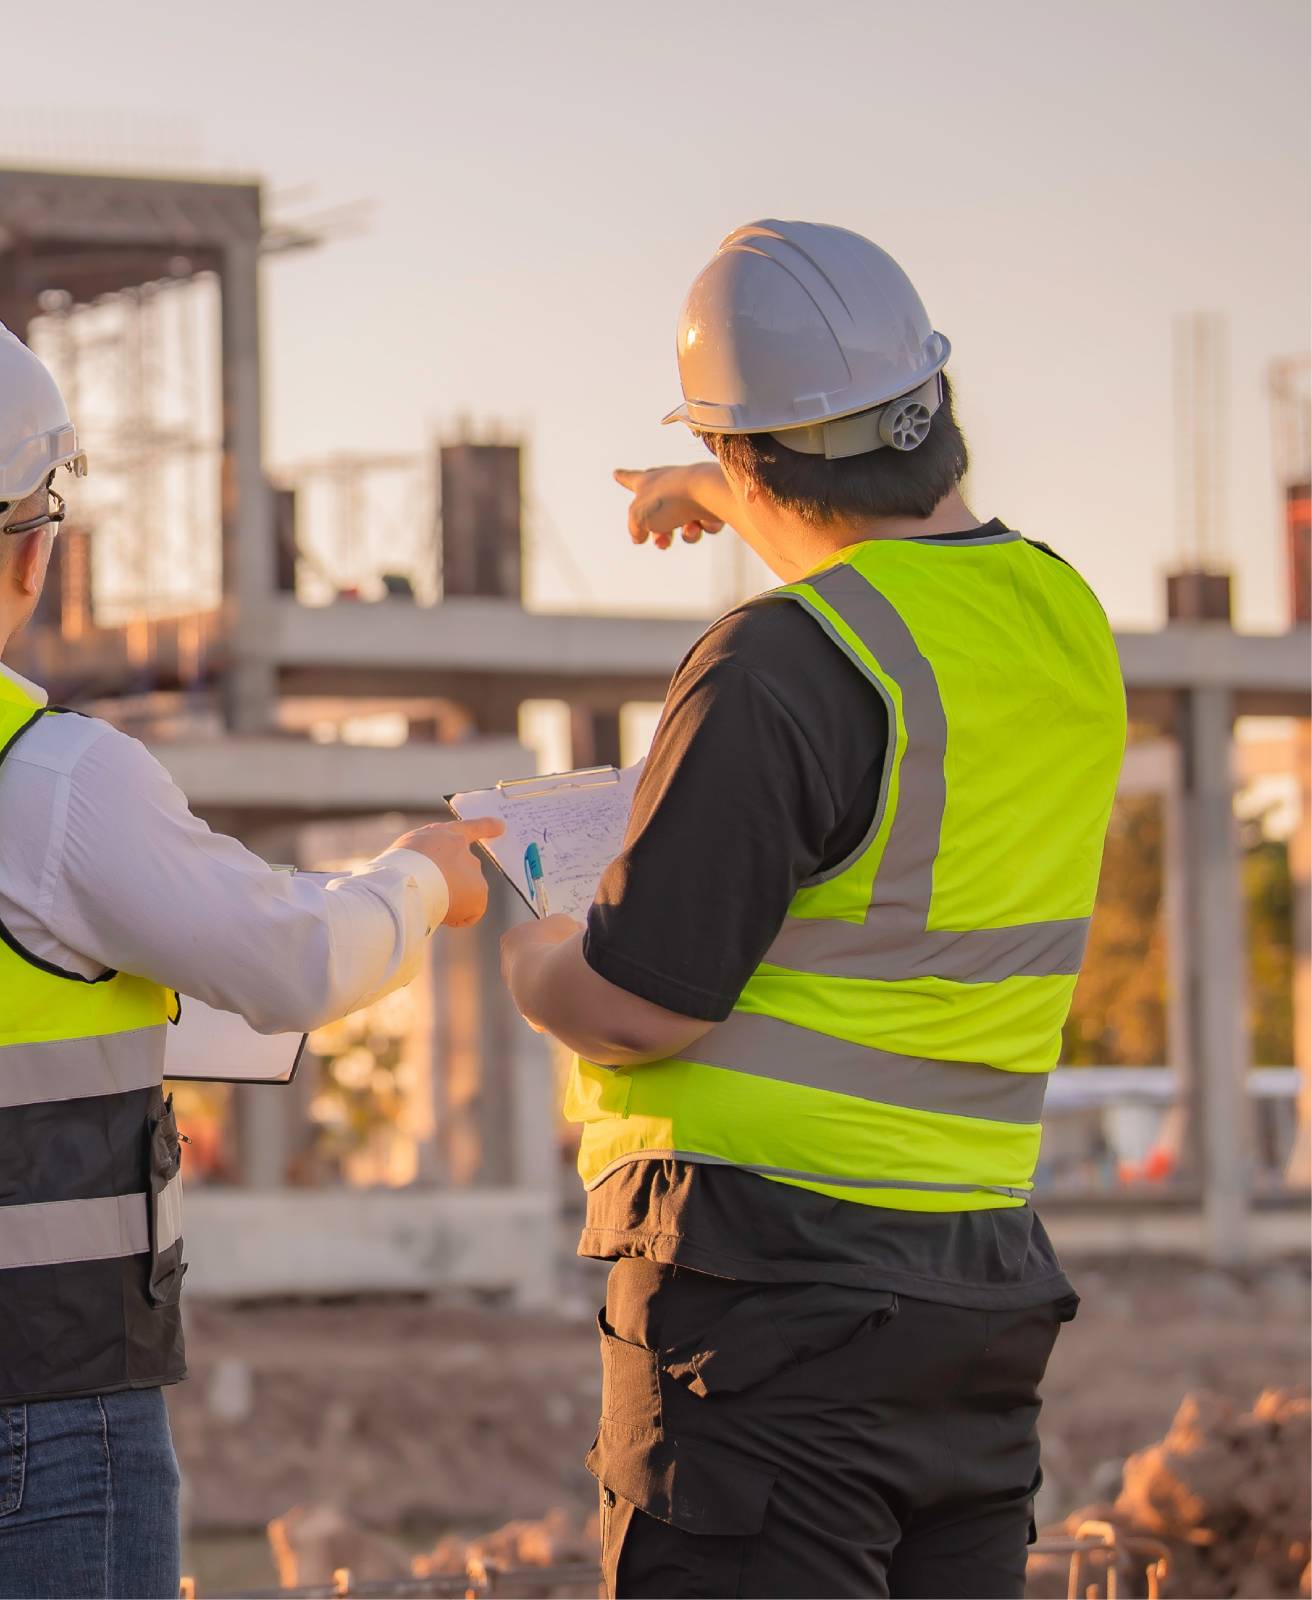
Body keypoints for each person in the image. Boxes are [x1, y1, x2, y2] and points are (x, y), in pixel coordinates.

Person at [0, 304, 501, 1600]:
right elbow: (290, 961)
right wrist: (422, 883)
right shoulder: (55, 779)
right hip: (34, 1390)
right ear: (35, 547)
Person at [499, 222, 1123, 1599]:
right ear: (937, 408)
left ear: (744, 453)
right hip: (974, 1291)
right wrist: (729, 491)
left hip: (767, 1301)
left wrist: (536, 962)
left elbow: (641, 999)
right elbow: (915, 574)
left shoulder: (777, 666)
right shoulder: (1065, 621)